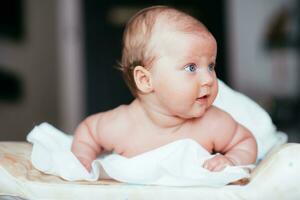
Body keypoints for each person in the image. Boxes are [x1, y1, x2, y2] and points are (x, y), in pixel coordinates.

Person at [71, 5, 257, 172]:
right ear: (145, 80)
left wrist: (232, 159)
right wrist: (83, 157)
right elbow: (88, 132)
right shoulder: (121, 125)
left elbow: (245, 142)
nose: (209, 79)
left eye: (210, 66)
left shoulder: (213, 123)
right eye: (191, 67)